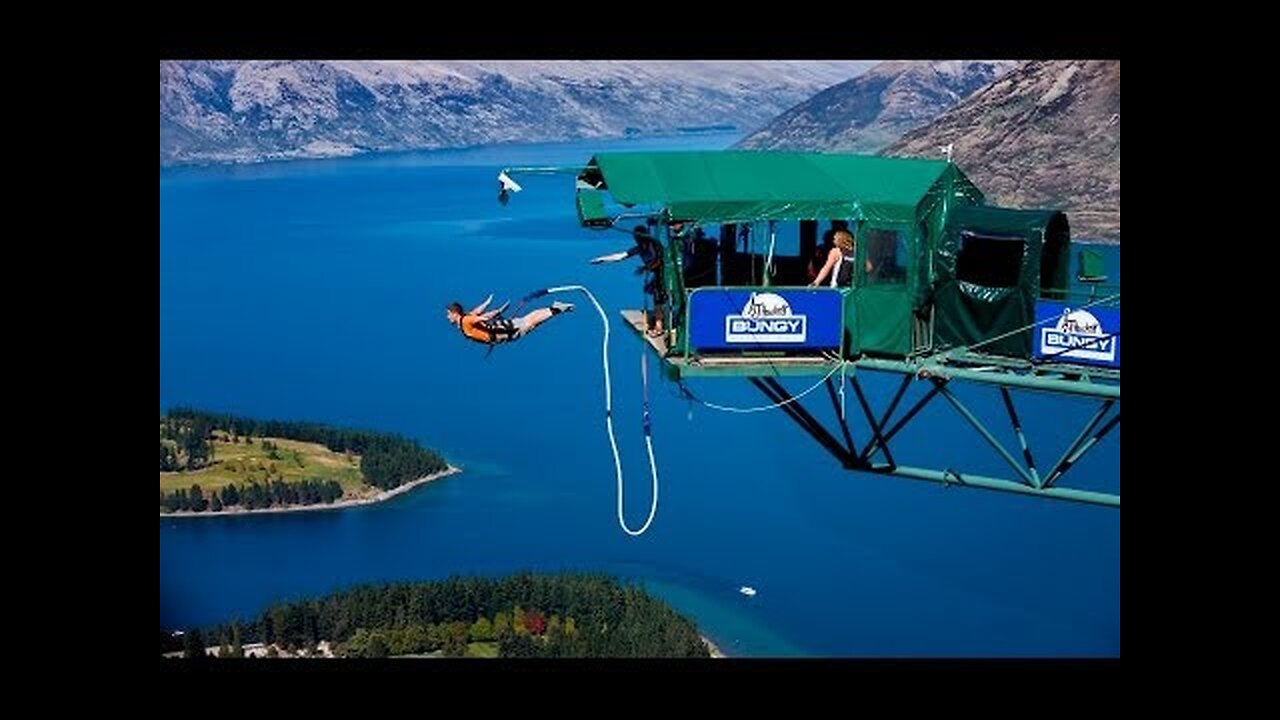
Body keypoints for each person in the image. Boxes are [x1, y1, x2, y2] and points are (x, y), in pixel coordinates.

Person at [590, 224, 668, 338]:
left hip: (666, 274)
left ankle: (659, 325)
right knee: (658, 299)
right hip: (658, 275)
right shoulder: (641, 248)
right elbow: (622, 256)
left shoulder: (654, 245)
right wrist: (603, 259)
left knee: (659, 298)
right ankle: (659, 322)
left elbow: (660, 260)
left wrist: (645, 268)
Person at [445, 293, 573, 346]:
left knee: (529, 323)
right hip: (501, 330)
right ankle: (555, 308)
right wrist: (488, 303)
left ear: (454, 313)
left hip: (502, 332)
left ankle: (557, 309)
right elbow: (477, 312)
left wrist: (495, 313)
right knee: (529, 321)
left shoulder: (466, 321)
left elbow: (480, 317)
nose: (447, 317)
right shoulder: (465, 318)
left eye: (448, 314)